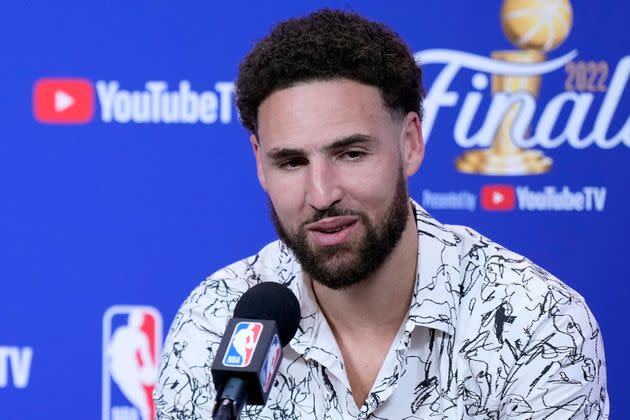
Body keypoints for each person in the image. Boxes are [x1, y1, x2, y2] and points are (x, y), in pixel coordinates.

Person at [154, 9, 608, 419]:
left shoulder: (538, 323)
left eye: (351, 153)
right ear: (259, 162)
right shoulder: (212, 321)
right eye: (292, 162)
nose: (321, 194)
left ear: (410, 143)